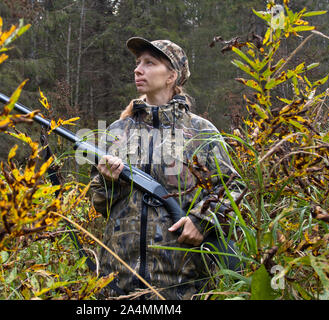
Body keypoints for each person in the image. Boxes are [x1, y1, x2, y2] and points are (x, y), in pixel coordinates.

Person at [89, 37, 242, 300]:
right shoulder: (117, 131)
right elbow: (99, 204)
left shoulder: (200, 131)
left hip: (181, 285)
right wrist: (108, 182)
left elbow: (232, 189)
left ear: (172, 76)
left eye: (150, 63)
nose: (138, 69)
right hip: (117, 281)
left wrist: (201, 220)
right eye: (138, 63)